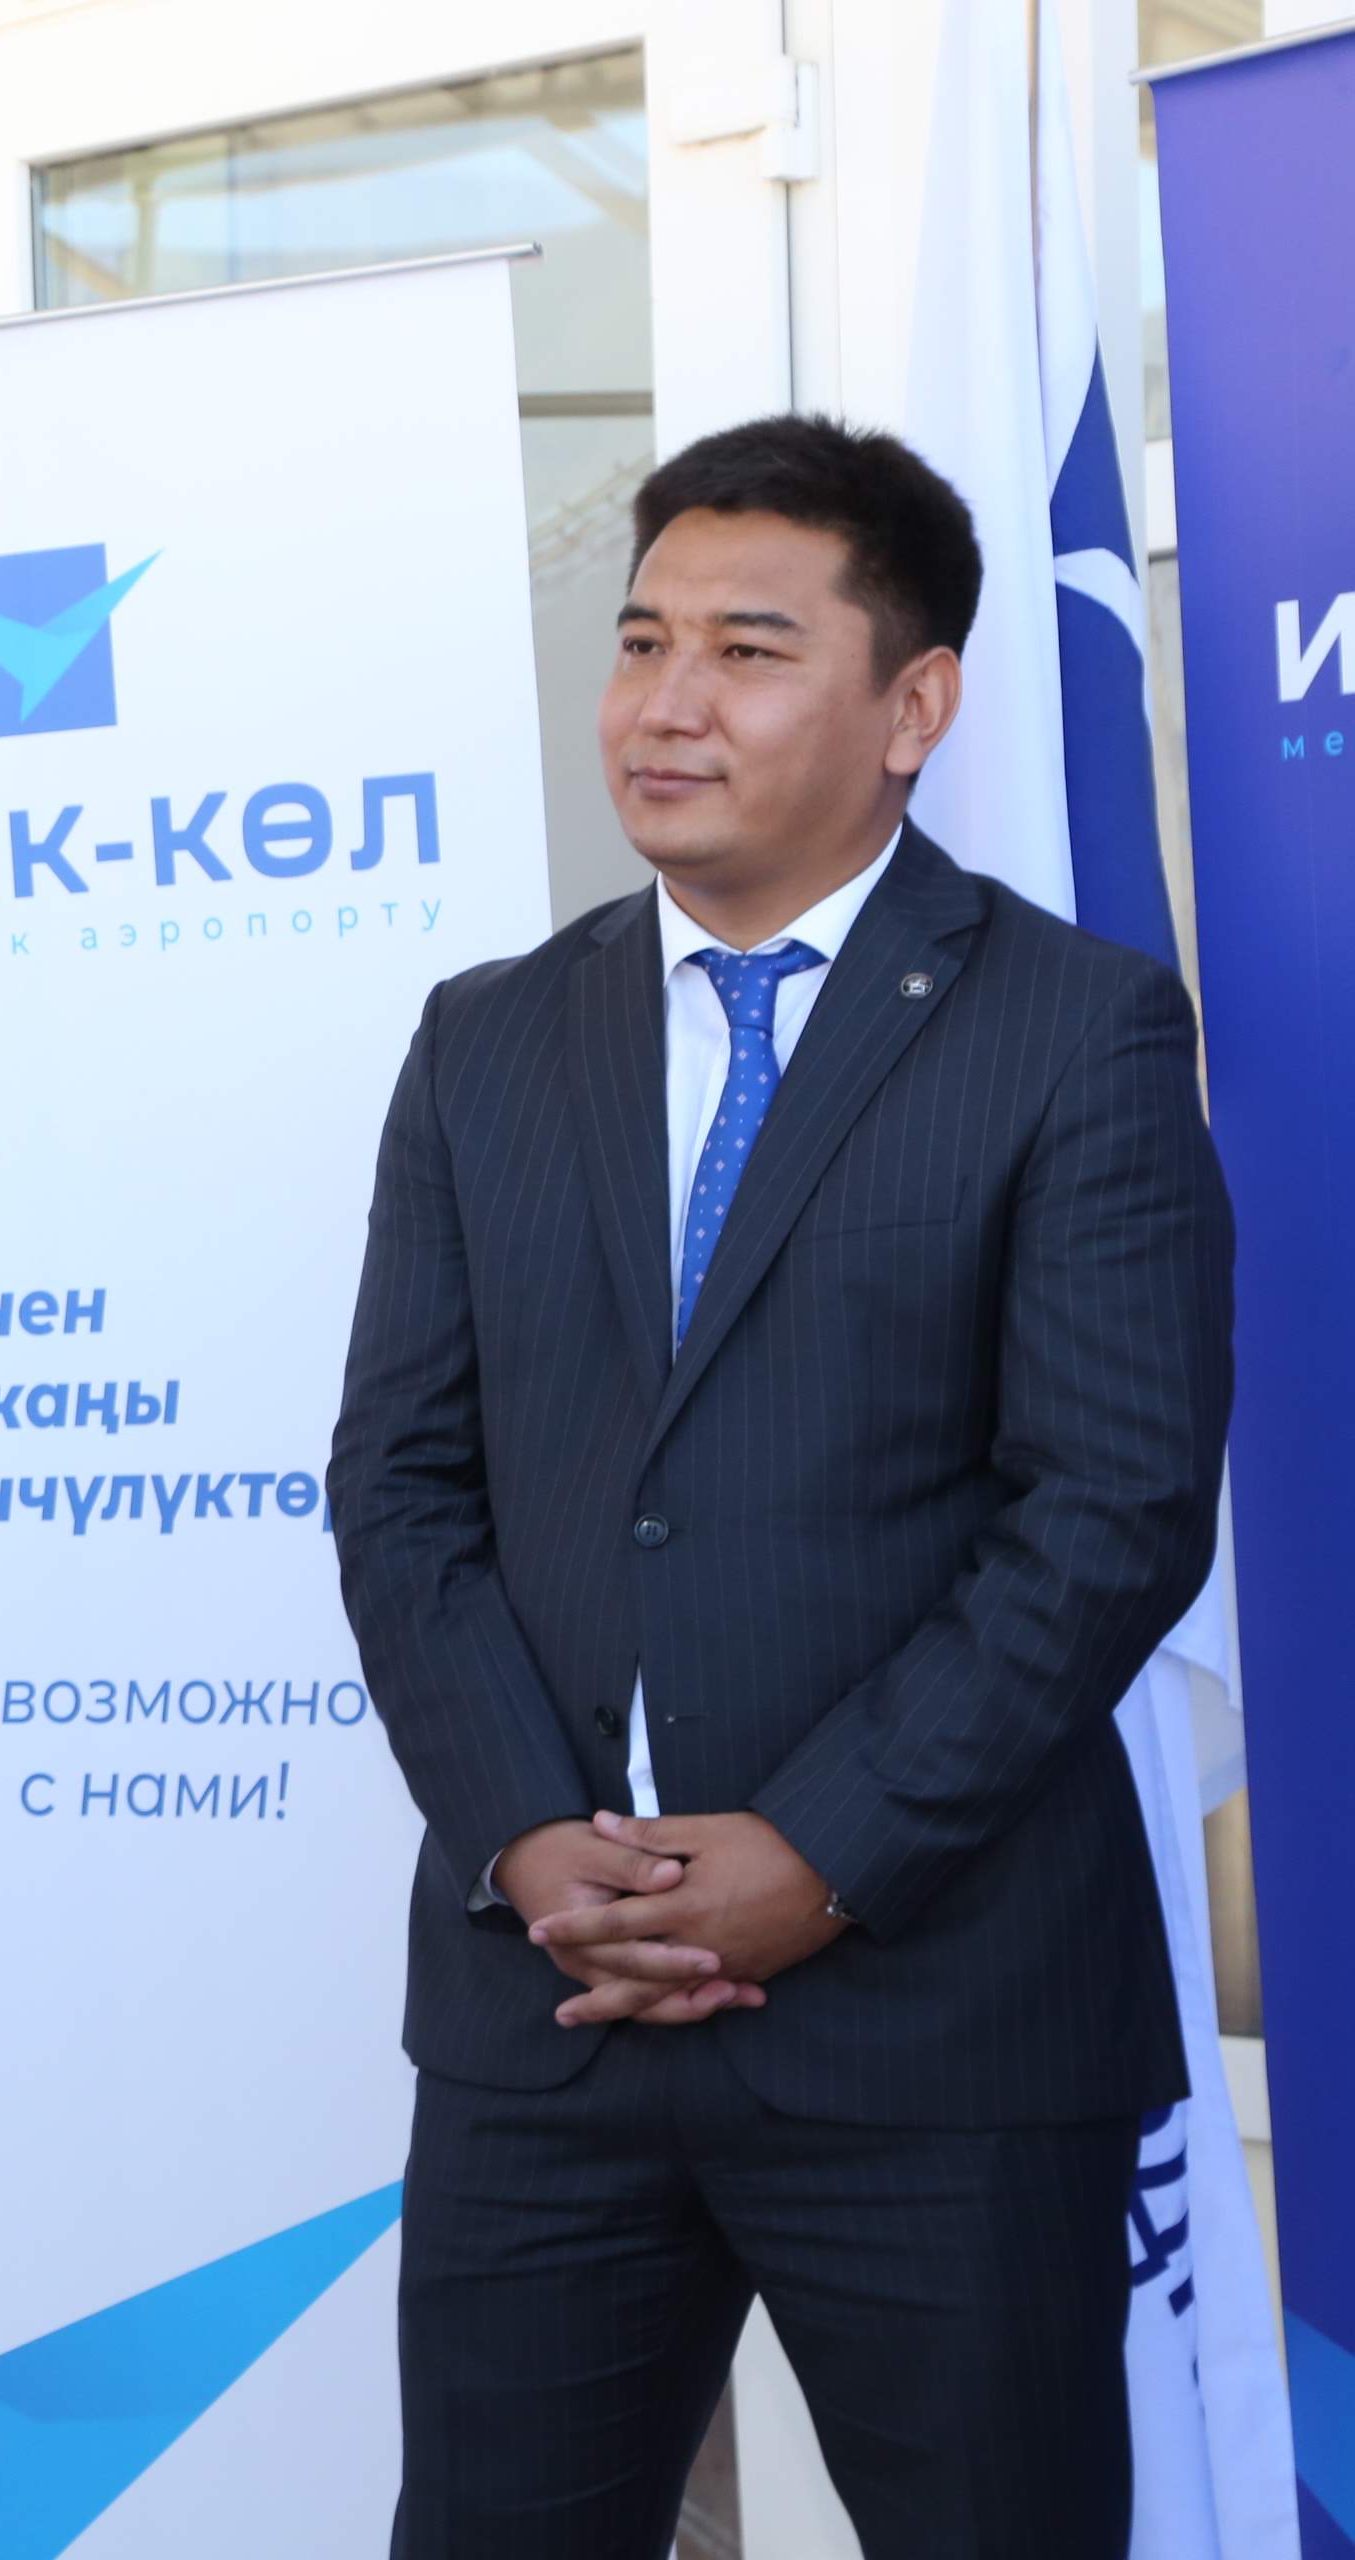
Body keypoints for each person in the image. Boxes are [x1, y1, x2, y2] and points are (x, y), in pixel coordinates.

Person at [329, 416, 1232, 2558]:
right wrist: (531, 1839)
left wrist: (815, 1858)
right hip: (548, 2015)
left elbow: (1107, 1510)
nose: (666, 702)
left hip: (939, 2026)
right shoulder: (486, 1037)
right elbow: (401, 1484)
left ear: (914, 706)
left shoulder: (1074, 1029)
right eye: (641, 641)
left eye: (747, 649)